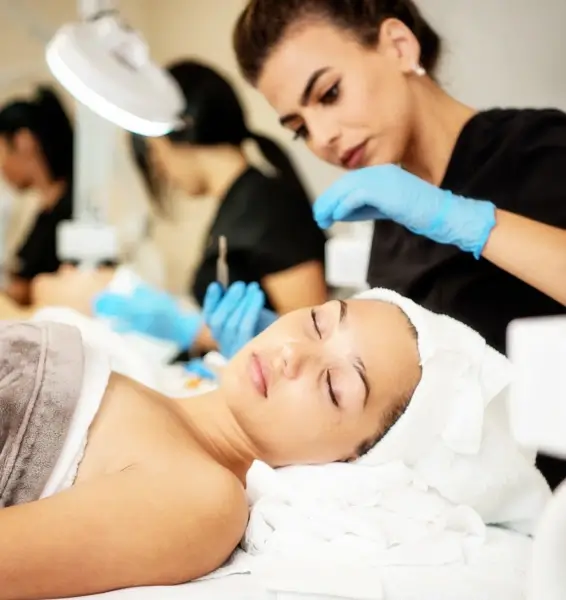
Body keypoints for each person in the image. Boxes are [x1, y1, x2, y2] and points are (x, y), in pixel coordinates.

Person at [231, 0, 566, 487]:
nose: (323, 136)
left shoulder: (537, 150)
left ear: (398, 46)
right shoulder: (389, 221)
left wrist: (470, 223)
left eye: (329, 93)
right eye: (300, 128)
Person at [0, 294, 421, 599]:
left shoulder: (203, 499)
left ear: (354, 459)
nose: (292, 353)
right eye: (317, 323)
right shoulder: (154, 388)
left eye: (333, 385)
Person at [93, 59, 327, 357]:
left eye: (154, 154)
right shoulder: (239, 204)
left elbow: (312, 333)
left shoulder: (268, 205)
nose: (160, 169)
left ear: (180, 132)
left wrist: (192, 329)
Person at [0, 86, 74, 305]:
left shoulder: (69, 211)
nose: (1, 166)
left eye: (1, 152)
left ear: (24, 142)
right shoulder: (46, 212)